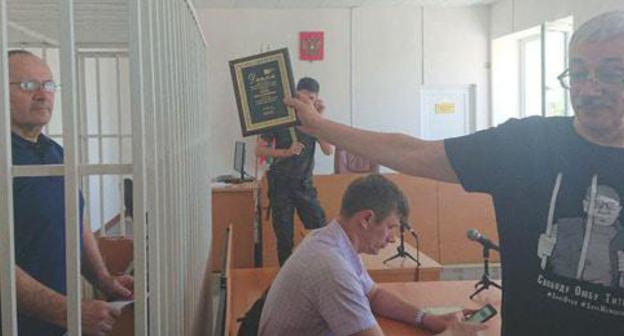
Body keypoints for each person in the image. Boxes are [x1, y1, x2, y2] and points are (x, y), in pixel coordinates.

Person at [283, 10, 624, 336]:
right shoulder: (528, 144)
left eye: (610, 73)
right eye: (578, 73)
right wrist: (318, 126)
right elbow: (411, 151)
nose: (589, 89)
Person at [259, 174, 486, 336]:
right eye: (390, 227)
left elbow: (373, 294)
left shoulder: (332, 239)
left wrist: (426, 318)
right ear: (366, 219)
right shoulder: (331, 267)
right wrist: (454, 333)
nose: (392, 238)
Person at [5, 50, 133, 336]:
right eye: (27, 85)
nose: (42, 94)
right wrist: (67, 311)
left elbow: (76, 219)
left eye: (48, 85)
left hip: (55, 324)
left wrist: (103, 279)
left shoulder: (54, 152)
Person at [256, 77, 334, 265]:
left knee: (319, 230)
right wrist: (285, 152)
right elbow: (259, 150)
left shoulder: (314, 121)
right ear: (296, 96)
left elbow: (328, 150)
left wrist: (319, 119)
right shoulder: (279, 117)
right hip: (280, 185)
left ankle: (318, 272)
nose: (307, 103)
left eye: (312, 99)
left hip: (303, 185)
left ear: (316, 100)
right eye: (304, 98)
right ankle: (286, 280)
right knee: (284, 238)